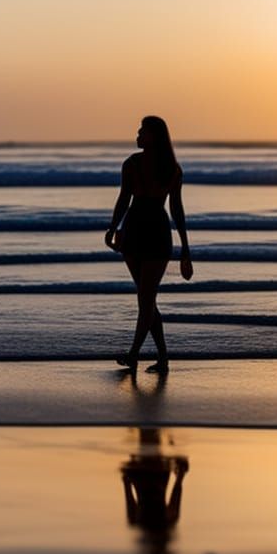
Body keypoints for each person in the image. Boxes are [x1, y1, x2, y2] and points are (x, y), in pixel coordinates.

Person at [105, 116, 192, 374]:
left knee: (145, 299)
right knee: (147, 300)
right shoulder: (131, 164)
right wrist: (112, 227)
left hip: (154, 233)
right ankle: (163, 359)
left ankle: (133, 355)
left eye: (142, 131)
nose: (137, 134)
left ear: (154, 135)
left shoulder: (172, 169)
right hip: (134, 232)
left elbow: (177, 209)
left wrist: (186, 247)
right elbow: (123, 198)